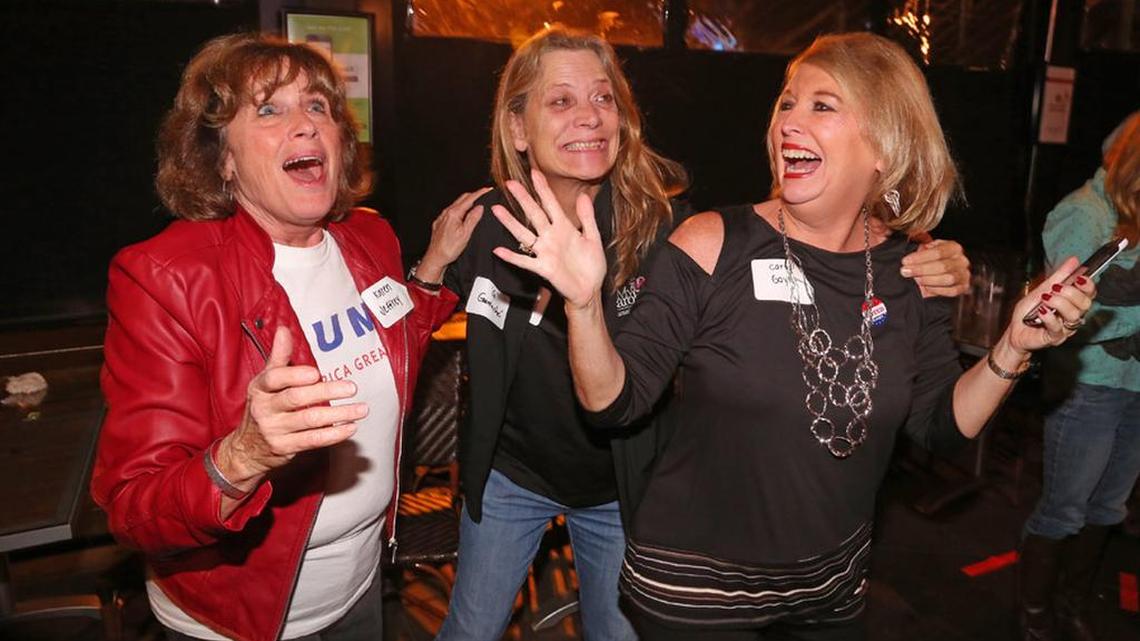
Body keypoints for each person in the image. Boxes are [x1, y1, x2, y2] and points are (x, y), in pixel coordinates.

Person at [491, 32, 1095, 640]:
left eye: (821, 105)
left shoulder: (913, 269)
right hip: (698, 592)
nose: (789, 122)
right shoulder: (710, 244)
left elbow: (940, 425)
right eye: (786, 103)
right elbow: (611, 403)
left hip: (831, 591)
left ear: (885, 144)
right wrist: (585, 304)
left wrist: (1012, 348)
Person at [90, 33, 481, 641]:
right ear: (221, 158)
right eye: (270, 109)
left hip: (359, 587)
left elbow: (390, 337)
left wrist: (429, 271)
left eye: (319, 106)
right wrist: (244, 455)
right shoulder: (167, 276)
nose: (307, 125)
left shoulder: (367, 239)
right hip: (236, 615)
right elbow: (135, 510)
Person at [1017, 111, 1140, 641]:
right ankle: (1035, 612)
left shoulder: (1130, 214)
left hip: (1133, 387)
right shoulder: (1081, 214)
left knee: (1108, 507)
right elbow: (1072, 313)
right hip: (1090, 386)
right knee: (1064, 510)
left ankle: (1070, 602)